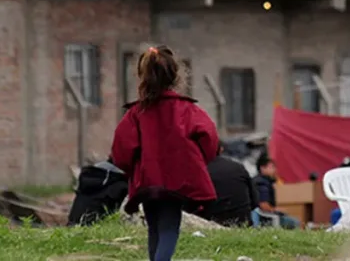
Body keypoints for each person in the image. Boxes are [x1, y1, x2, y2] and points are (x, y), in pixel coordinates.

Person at [111, 45, 219, 261]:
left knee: (154, 228)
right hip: (177, 180)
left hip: (147, 181)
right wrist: (195, 161)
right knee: (169, 227)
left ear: (142, 76)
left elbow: (120, 151)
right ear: (175, 75)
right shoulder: (187, 110)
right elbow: (210, 139)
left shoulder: (136, 113)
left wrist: (134, 168)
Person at [202, 147, 259, 227]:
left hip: (208, 226)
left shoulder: (198, 170)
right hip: (243, 226)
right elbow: (255, 202)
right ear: (221, 149)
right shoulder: (238, 167)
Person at [252, 155, 300, 229]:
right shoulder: (262, 183)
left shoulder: (259, 181)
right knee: (295, 222)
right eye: (271, 167)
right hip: (265, 217)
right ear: (262, 168)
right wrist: (276, 210)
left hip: (262, 216)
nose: (274, 170)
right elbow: (263, 205)